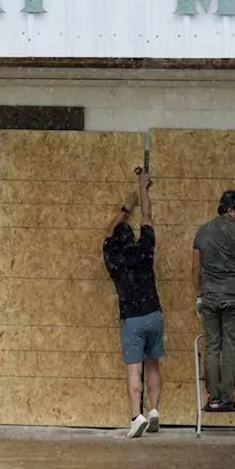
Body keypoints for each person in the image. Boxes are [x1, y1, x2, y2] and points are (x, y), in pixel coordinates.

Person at [102, 167, 164, 438]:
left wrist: (128, 205)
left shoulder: (113, 258)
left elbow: (108, 230)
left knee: (133, 368)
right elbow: (148, 216)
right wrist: (142, 189)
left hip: (132, 318)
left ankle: (135, 416)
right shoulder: (145, 249)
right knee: (153, 364)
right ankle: (154, 411)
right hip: (154, 315)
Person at [192, 190, 235, 413]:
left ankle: (213, 398)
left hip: (210, 297)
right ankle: (227, 399)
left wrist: (199, 296)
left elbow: (196, 268)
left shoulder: (202, 232)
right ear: (230, 211)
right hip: (234, 299)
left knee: (212, 347)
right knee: (230, 347)